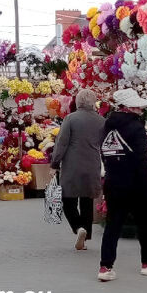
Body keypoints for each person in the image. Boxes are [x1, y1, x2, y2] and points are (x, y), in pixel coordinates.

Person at [97, 88, 147, 282]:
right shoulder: (136, 127)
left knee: (112, 225)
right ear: (128, 107)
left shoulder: (107, 127)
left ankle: (105, 266)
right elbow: (142, 160)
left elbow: (105, 153)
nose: (140, 110)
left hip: (113, 182)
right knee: (145, 224)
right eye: (137, 106)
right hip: (136, 183)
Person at [51, 89, 105, 251]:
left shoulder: (70, 119)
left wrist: (54, 163)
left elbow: (62, 142)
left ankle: (78, 227)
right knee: (87, 201)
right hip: (92, 165)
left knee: (68, 200)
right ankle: (85, 237)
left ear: (77, 102)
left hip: (72, 165)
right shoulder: (101, 121)